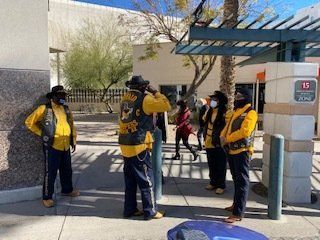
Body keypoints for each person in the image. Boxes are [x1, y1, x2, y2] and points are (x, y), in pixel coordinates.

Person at [119, 75, 171, 220]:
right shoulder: (145, 99)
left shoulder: (124, 99)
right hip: (138, 145)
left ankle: (129, 210)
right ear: (143, 87)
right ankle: (150, 211)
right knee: (146, 181)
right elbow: (166, 105)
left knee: (130, 181)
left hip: (125, 144)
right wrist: (156, 92)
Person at [25, 85, 79, 208]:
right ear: (53, 97)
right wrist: (43, 134)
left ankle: (67, 190)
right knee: (51, 172)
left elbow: (72, 125)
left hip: (65, 145)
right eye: (60, 95)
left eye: (64, 95)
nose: (63, 98)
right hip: (52, 146)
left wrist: (73, 140)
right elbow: (29, 122)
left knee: (67, 170)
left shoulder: (66, 109)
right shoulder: (44, 109)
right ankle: (47, 197)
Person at [220, 87, 258, 223]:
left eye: (240, 96)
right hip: (232, 150)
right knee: (236, 180)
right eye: (236, 95)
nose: (237, 98)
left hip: (243, 151)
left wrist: (228, 138)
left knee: (242, 182)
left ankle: (238, 213)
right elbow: (228, 126)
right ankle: (236, 205)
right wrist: (222, 136)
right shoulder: (237, 111)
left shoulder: (251, 112)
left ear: (247, 97)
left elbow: (245, 131)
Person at [203, 91, 228, 195]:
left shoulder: (224, 113)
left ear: (220, 102)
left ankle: (221, 185)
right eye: (212, 99)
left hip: (218, 143)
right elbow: (204, 120)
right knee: (211, 164)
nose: (212, 101)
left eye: (215, 100)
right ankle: (213, 182)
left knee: (220, 165)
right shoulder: (210, 111)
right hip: (209, 142)